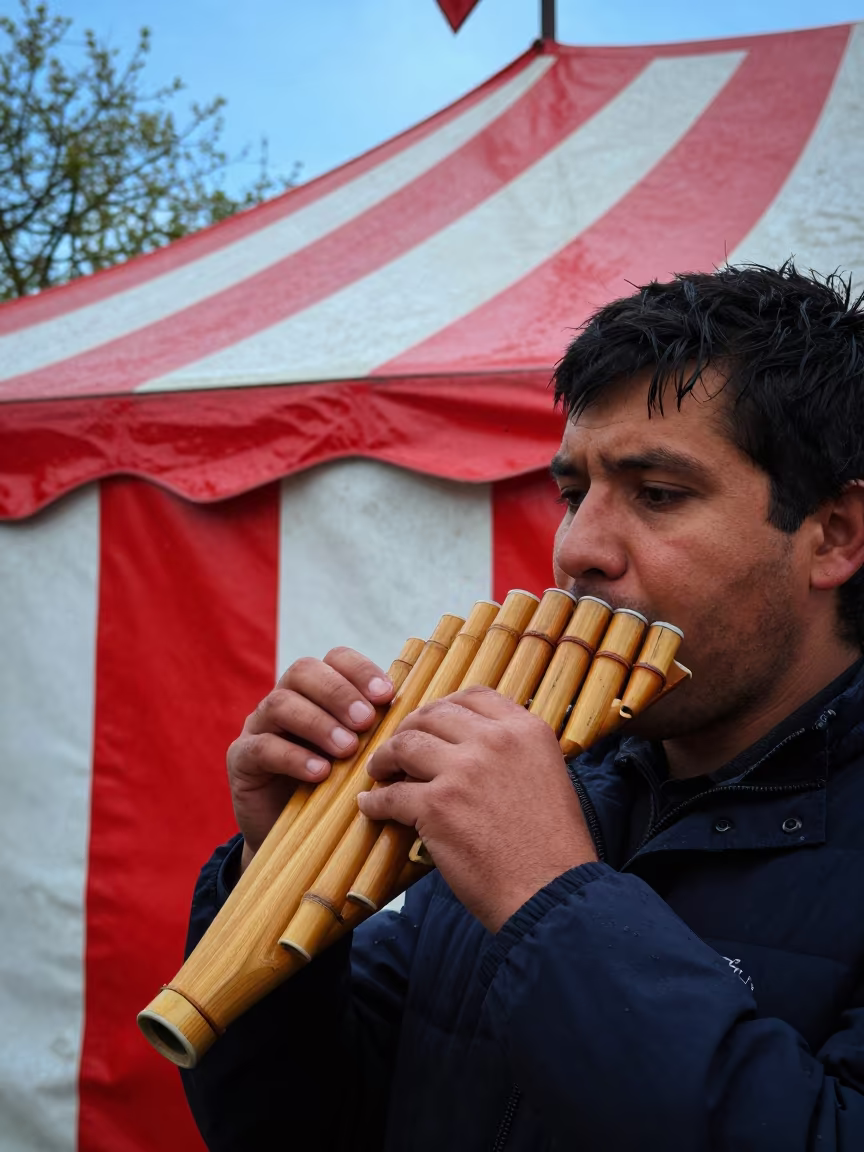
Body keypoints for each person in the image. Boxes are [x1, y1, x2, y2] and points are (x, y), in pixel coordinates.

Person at [182, 263, 864, 1151]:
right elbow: (306, 1127)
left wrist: (549, 896)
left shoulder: (522, 833)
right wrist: (273, 880)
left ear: (835, 535)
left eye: (658, 495)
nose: (577, 550)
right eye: (574, 495)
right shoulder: (531, 790)